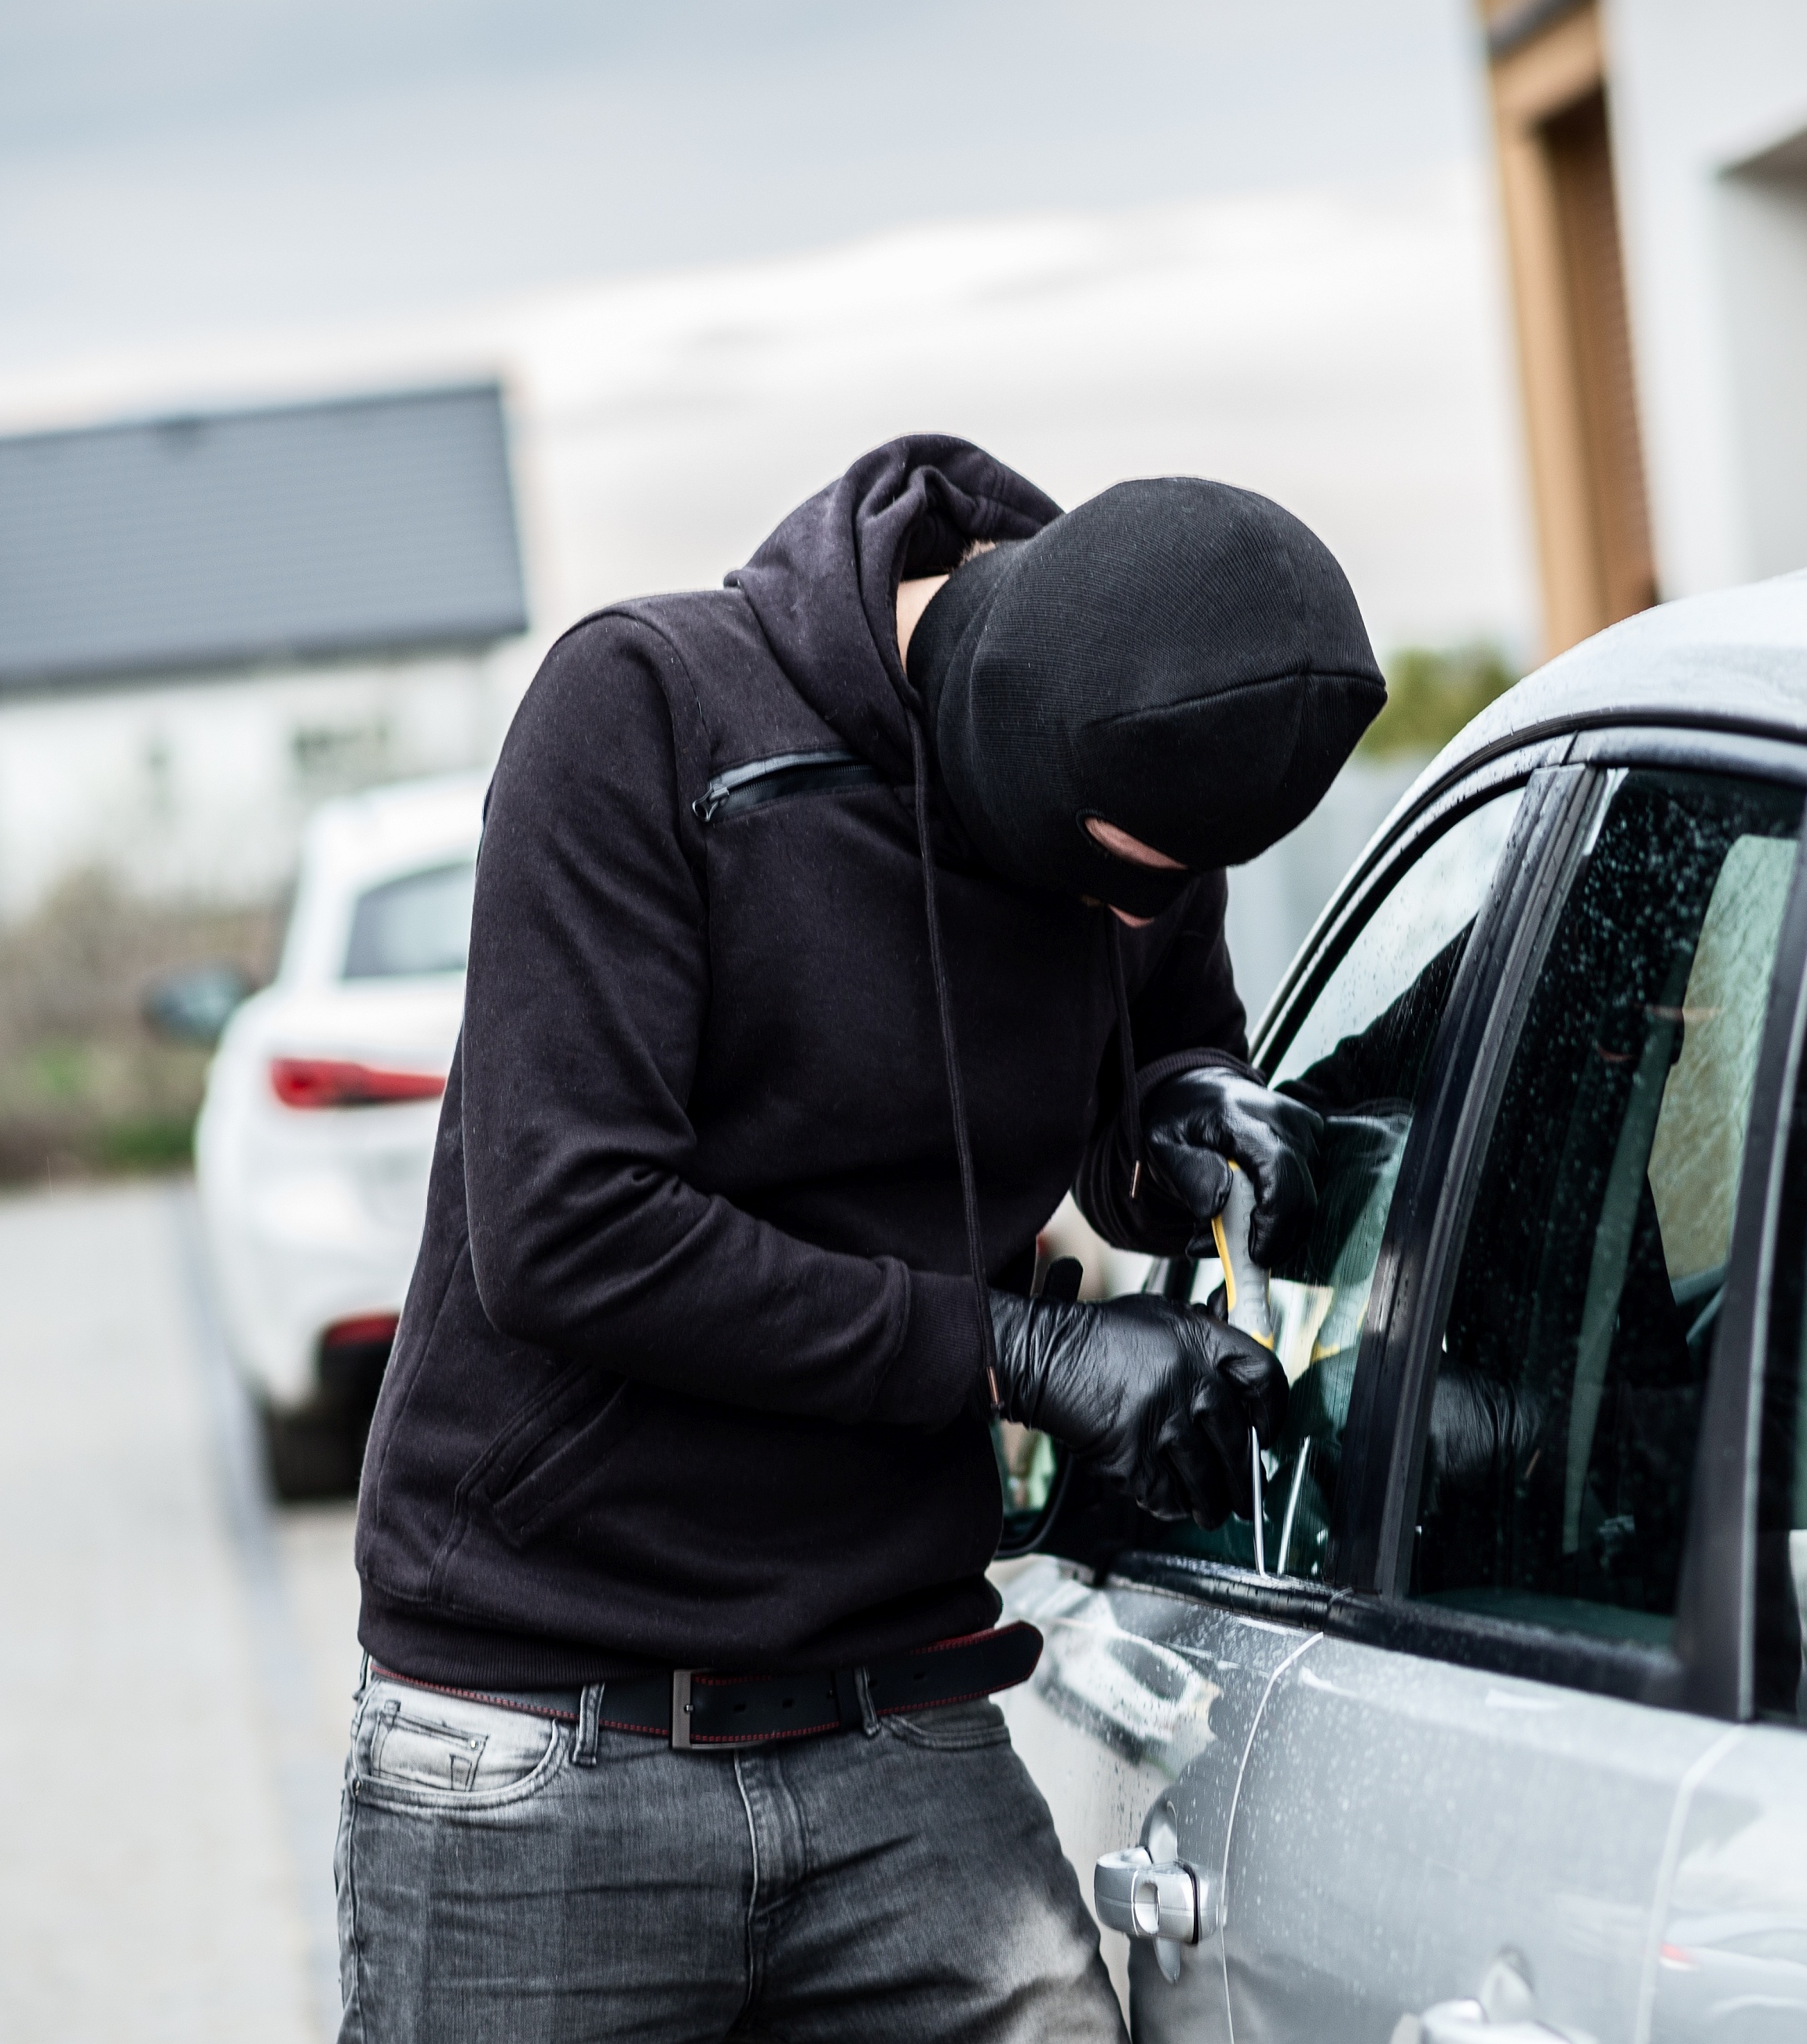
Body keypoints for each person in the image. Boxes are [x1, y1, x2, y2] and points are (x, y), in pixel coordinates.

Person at [337, 434, 1387, 2042]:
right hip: (547, 1741)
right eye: (1121, 884)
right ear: (1007, 740)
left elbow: (1135, 1072)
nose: (1139, 920)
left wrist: (1184, 1116)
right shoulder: (648, 710)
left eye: (1176, 893)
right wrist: (1015, 1351)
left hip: (901, 1716)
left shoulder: (1151, 774)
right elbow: (568, 1232)